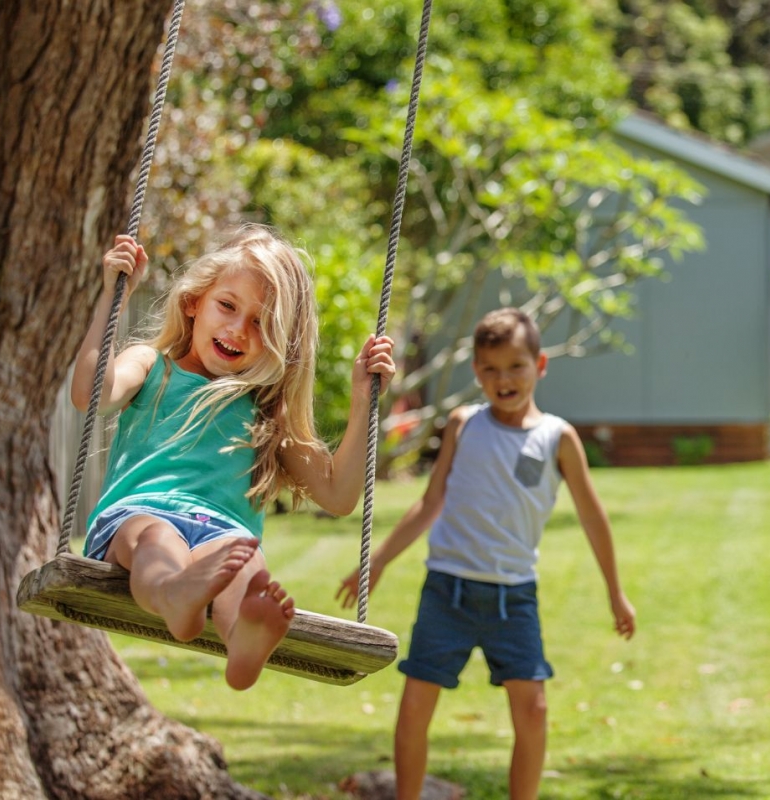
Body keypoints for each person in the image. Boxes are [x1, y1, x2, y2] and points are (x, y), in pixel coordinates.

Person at [74, 227, 394, 691]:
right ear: (193, 302)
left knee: (242, 564)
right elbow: (90, 393)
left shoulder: (266, 413)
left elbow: (338, 495)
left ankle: (242, 641)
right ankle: (173, 594)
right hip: (139, 515)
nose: (237, 330)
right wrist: (113, 298)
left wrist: (363, 401)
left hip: (224, 533)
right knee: (158, 540)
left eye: (261, 323)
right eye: (227, 305)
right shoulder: (151, 366)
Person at [337, 307, 636, 800]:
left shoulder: (558, 438)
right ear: (476, 371)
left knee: (534, 709)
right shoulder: (462, 424)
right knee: (414, 707)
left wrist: (616, 594)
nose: (504, 379)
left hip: (513, 599)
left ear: (539, 366)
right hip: (447, 592)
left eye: (516, 366)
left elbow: (593, 518)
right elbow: (429, 502)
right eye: (491, 369)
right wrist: (378, 562)